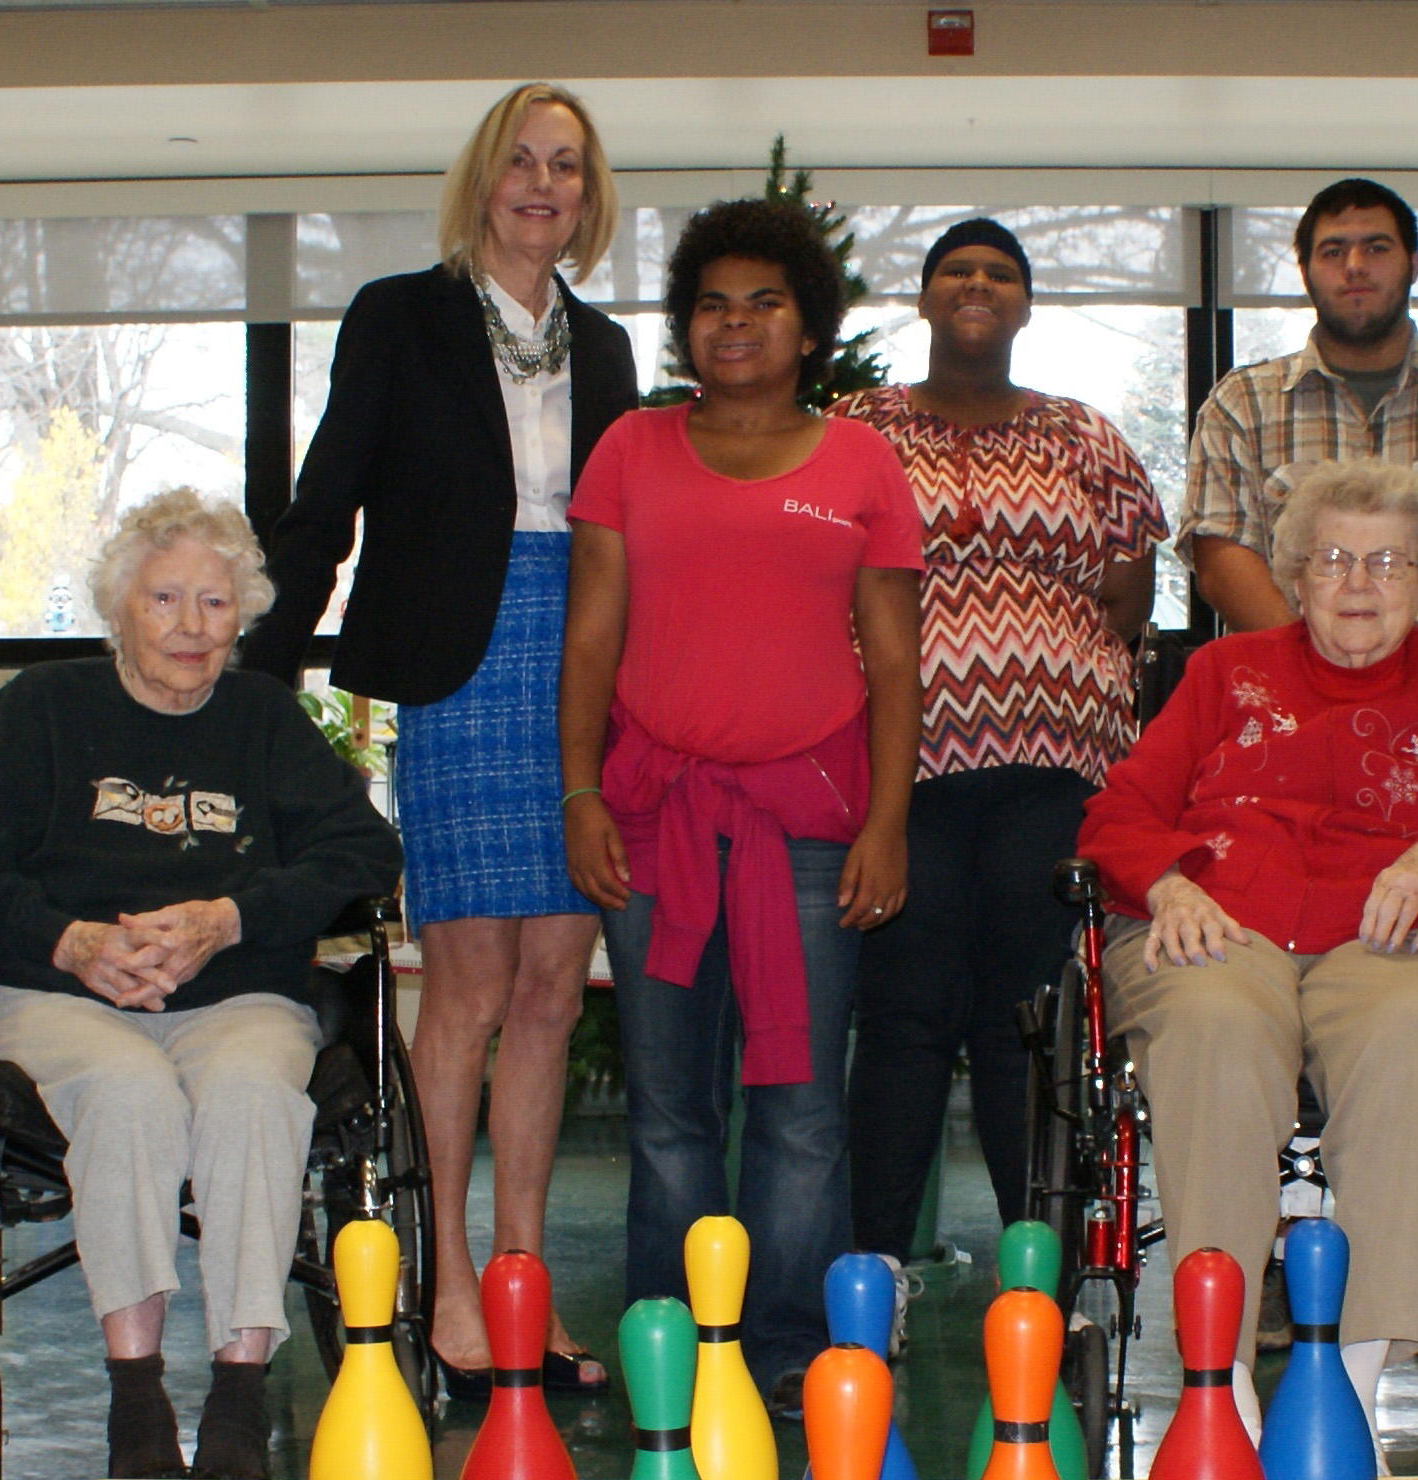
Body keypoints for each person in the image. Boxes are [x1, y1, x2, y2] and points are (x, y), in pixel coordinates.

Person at [241, 83, 638, 1402]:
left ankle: (524, 1282)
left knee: (552, 989)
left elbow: (633, 528)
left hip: (583, 656)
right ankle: (447, 1282)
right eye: (521, 160)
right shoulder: (399, 316)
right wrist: (261, 668)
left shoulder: (607, 348)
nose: (542, 185)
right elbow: (328, 497)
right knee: (469, 986)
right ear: (482, 179)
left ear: (588, 198)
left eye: (566, 166)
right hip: (459, 667)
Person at [1079, 459, 1418, 1466]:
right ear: (1296, 577)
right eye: (1334, 560)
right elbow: (1117, 812)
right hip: (1223, 925)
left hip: (1394, 938)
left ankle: (1352, 1375)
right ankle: (1219, 1382)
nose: (1359, 583)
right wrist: (1169, 885)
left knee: (1414, 1031)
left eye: (1387, 562)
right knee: (1212, 1024)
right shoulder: (1224, 674)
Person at [0, 489, 404, 1480]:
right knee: (128, 1093)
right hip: (53, 997)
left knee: (254, 1095)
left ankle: (237, 1398)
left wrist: (230, 918)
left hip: (234, 996)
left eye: (215, 603)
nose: (191, 626)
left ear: (242, 616)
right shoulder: (40, 711)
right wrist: (70, 942)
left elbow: (364, 851)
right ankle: (136, 1398)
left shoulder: (263, 720)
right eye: (165, 599)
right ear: (120, 608)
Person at [558, 197, 924, 1412]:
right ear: (686, 327)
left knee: (802, 1109)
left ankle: (780, 1350)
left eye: (764, 302)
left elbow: (893, 660)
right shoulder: (630, 450)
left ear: (808, 326)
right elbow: (591, 635)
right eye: (712, 304)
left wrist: (885, 825)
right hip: (652, 816)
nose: (735, 323)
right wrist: (579, 793)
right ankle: (673, 1348)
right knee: (668, 1111)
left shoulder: (862, 463)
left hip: (809, 828)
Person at [833, 218, 1166, 1315]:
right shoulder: (858, 428)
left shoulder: (1083, 435)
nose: (976, 285)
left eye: (999, 274)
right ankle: (875, 1269)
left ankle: (1040, 1276)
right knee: (904, 1013)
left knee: (1028, 1020)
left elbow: (1126, 597)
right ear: (925, 298)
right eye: (956, 271)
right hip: (902, 766)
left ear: (1023, 304)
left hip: (1054, 766)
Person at [1182, 177, 1418, 679]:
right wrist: (1317, 681)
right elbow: (1220, 559)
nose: (1355, 266)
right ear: (1305, 272)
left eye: (1376, 247)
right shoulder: (1241, 405)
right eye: (1333, 251)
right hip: (1287, 709)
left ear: (1413, 263)